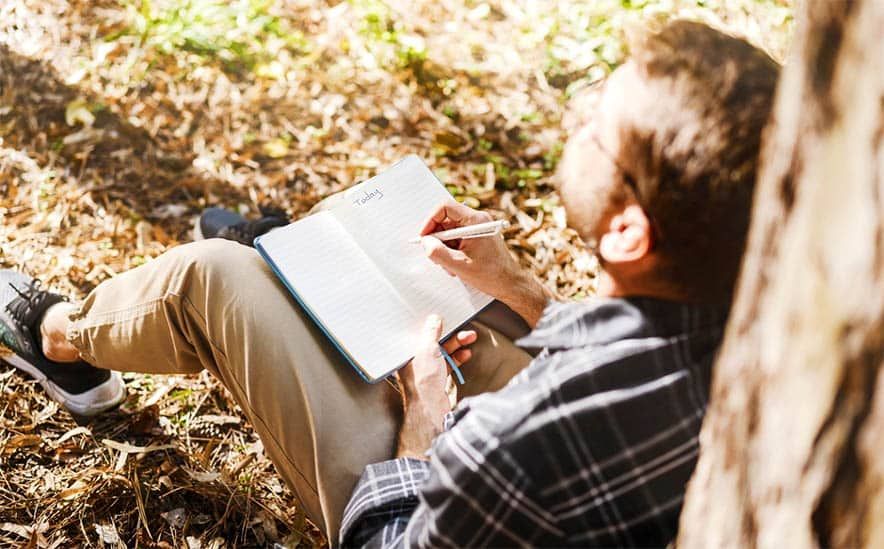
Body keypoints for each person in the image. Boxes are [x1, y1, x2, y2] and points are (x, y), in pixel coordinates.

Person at [0, 21, 779, 547]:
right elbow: (623, 347)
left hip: (430, 504)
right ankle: (296, 263)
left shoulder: (508, 446)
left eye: (597, 127)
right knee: (400, 258)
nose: (576, 113)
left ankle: (58, 340)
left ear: (627, 232)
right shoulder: (770, 343)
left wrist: (422, 434)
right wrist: (518, 286)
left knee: (212, 277)